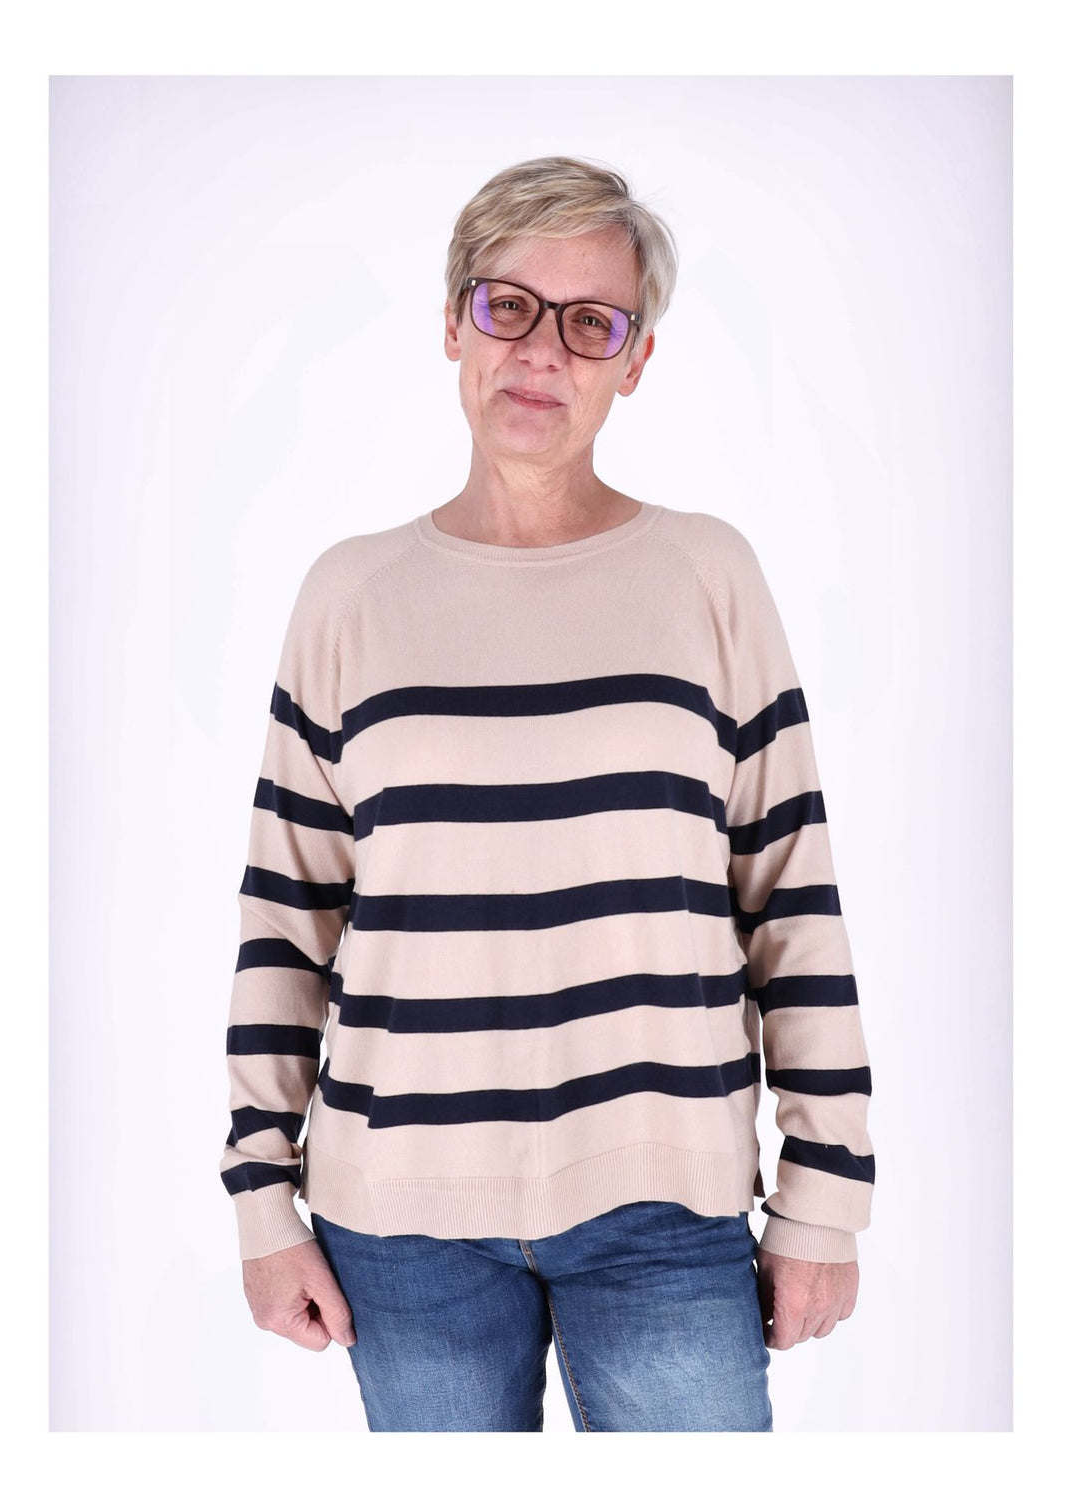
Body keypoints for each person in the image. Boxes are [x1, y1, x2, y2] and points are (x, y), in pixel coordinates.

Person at [219, 155, 875, 1432]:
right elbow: (285, 920)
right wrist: (260, 1203)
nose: (541, 351)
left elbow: (791, 897)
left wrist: (825, 1200)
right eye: (508, 304)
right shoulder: (350, 596)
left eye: (592, 323)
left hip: (665, 1209)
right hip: (399, 1225)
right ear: (453, 323)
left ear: (636, 361)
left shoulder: (707, 576)